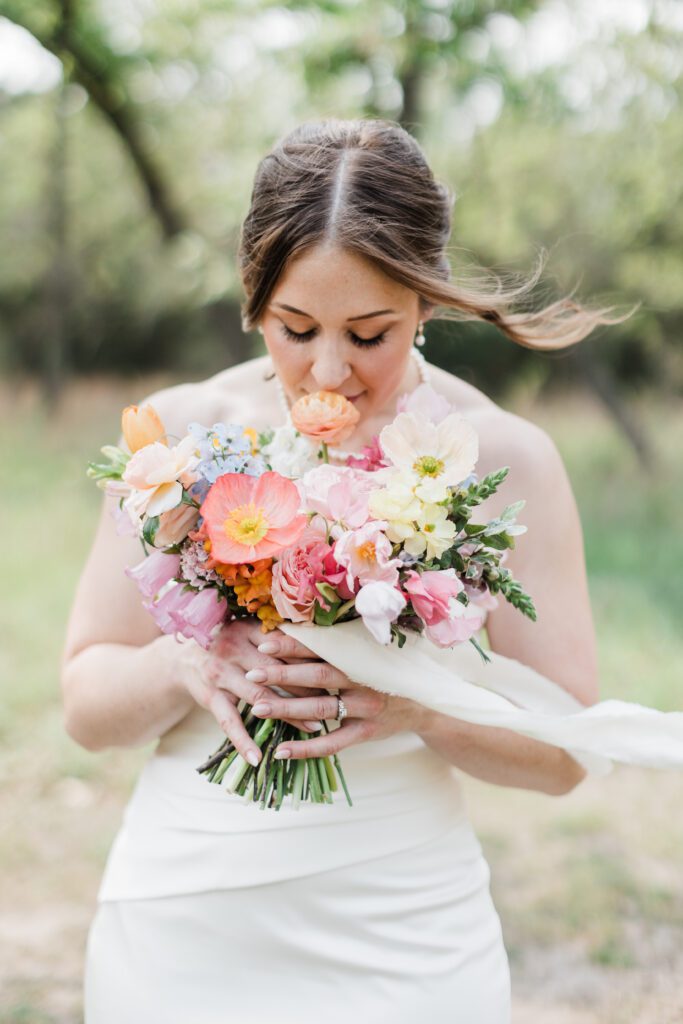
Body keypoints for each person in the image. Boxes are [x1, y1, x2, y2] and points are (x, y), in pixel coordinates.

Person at [61, 117, 626, 1024]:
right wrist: (185, 662)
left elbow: (563, 753)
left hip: (402, 930)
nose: (329, 369)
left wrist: (413, 703)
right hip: (188, 921)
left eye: (370, 333)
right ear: (253, 298)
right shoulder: (171, 440)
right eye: (295, 327)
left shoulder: (502, 459)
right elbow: (86, 706)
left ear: (426, 303)